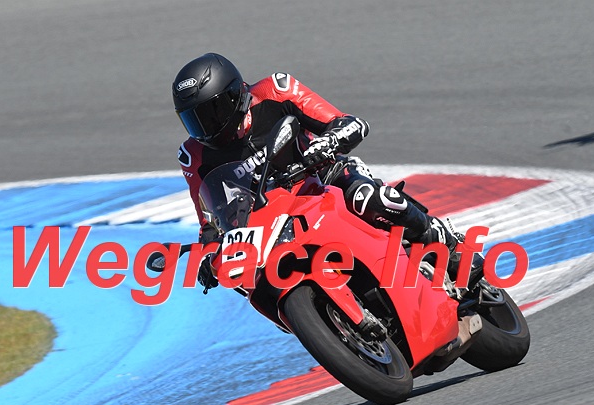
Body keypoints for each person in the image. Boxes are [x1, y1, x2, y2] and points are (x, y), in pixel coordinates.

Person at [172, 53, 473, 291]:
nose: (207, 128)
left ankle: (444, 242)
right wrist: (208, 255)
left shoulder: (275, 90)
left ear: (235, 94)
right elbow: (209, 220)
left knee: (370, 198)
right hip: (269, 215)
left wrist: (328, 142)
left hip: (323, 176)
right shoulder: (194, 155)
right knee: (260, 278)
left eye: (212, 113)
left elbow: (350, 123)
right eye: (194, 120)